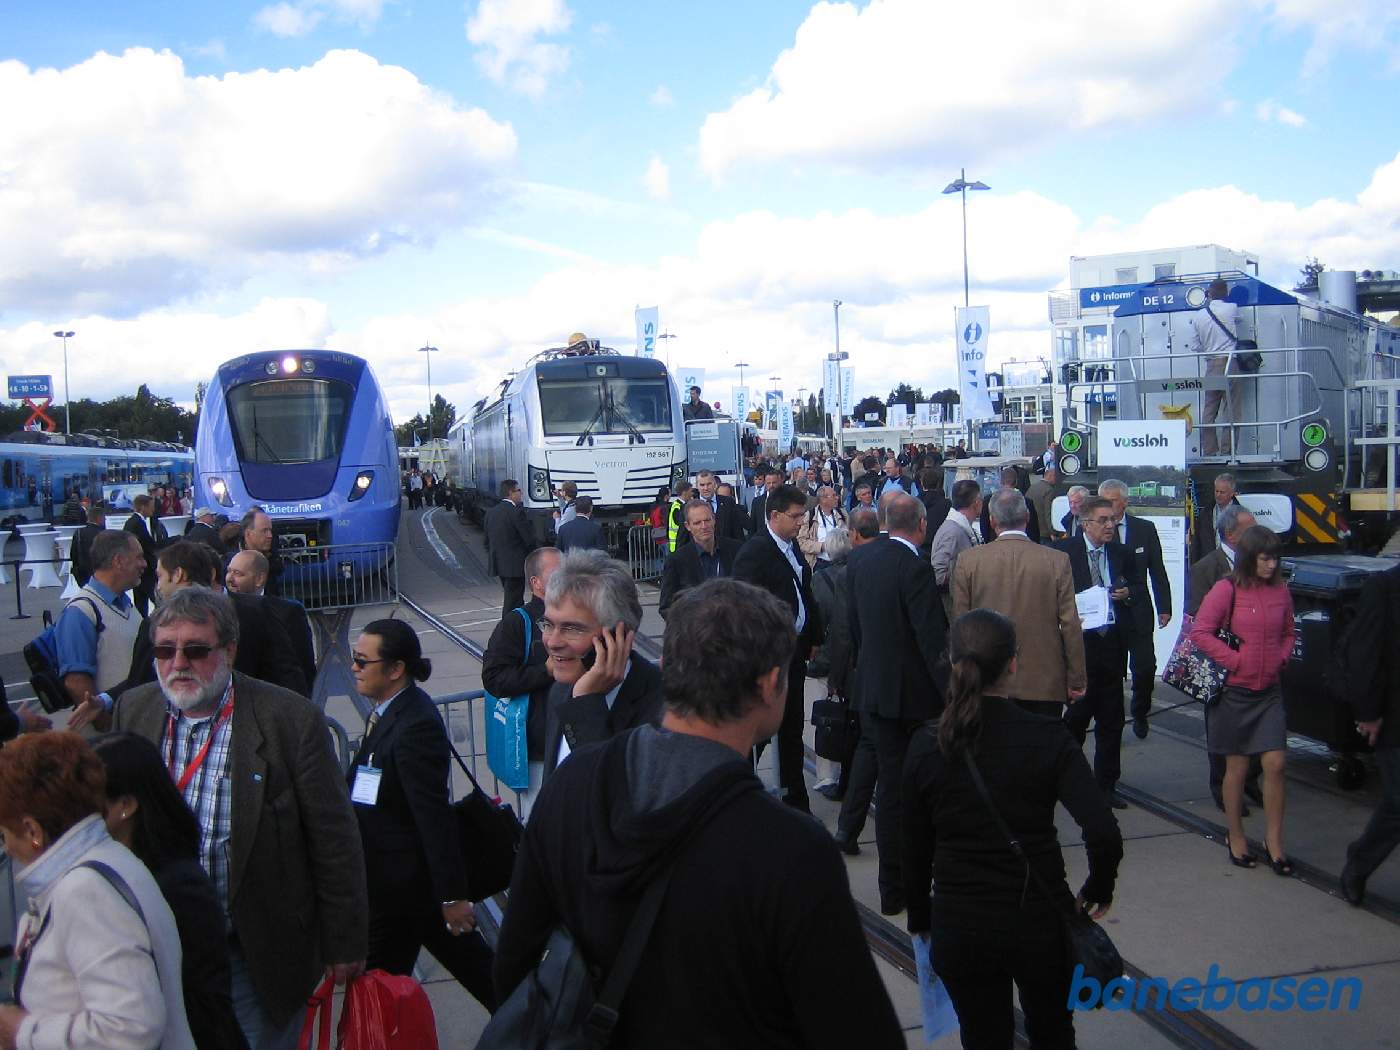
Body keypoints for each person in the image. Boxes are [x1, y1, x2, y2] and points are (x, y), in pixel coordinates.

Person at [493, 578, 905, 1048]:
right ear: (772, 684)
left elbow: (514, 960)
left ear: (668, 666)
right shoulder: (792, 850)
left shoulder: (573, 782)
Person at [111, 588, 367, 1050]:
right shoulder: (135, 710)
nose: (178, 663)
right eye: (165, 650)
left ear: (229, 650)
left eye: (196, 650)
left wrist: (344, 943)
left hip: (252, 951)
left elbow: (334, 840)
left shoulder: (288, 720)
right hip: (155, 950)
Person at [903, 609, 1122, 1050]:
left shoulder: (928, 744)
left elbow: (911, 844)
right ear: (1013, 664)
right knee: (1053, 1032)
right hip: (1037, 915)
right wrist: (1098, 886)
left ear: (951, 660)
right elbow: (1101, 829)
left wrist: (921, 915)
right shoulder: (1048, 737)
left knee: (983, 1037)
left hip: (961, 919)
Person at [0, 732, 196, 1049]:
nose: (6, 848)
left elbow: (130, 1028)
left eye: (4, 833)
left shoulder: (84, 890)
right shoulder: (109, 861)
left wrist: (23, 1033)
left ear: (32, 830)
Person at [348, 619, 496, 1011]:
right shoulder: (388, 712)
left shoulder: (414, 725)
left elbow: (432, 816)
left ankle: (537, 1027)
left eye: (363, 661)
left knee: (377, 991)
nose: (354, 668)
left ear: (395, 669)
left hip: (407, 887)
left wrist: (452, 895)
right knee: (481, 972)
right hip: (402, 884)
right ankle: (533, 1025)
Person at [93, 733, 249, 1050]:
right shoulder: (117, 869)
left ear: (124, 806)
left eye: (86, 796)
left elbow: (200, 1004)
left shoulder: (176, 886)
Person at [846, 493, 946, 914]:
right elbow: (932, 641)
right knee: (920, 793)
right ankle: (915, 880)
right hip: (914, 702)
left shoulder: (860, 561)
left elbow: (852, 628)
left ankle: (892, 889)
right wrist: (951, 695)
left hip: (873, 692)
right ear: (921, 525)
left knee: (889, 793)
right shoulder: (915, 568)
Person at [1191, 525, 1296, 875]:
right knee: (1236, 768)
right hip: (1235, 692)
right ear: (1249, 558)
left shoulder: (1280, 590)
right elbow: (1200, 632)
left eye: (1275, 559)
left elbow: (1288, 632)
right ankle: (1235, 835)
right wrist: (1236, 662)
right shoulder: (1227, 589)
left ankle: (1275, 841)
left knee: (1276, 764)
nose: (1271, 565)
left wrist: (1280, 657)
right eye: (1265, 559)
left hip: (1268, 691)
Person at [733, 484, 825, 814]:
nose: (802, 521)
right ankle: (737, 792)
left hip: (795, 653)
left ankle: (795, 801)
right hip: (769, 659)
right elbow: (743, 605)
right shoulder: (755, 552)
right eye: (796, 516)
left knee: (791, 728)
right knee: (760, 729)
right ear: (775, 516)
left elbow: (804, 591)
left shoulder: (792, 547)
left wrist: (813, 635)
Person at [952, 489, 1086, 710]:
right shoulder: (1057, 560)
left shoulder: (969, 561)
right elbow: (1070, 623)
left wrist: (960, 678)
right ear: (1027, 517)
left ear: (993, 521)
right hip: (1044, 681)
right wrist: (1077, 677)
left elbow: (961, 623)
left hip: (987, 680)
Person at [540, 550, 663, 780]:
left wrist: (586, 706)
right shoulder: (560, 692)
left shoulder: (663, 709)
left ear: (618, 634)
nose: (553, 642)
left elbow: (610, 798)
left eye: (572, 628)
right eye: (548, 625)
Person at [1057, 497, 1138, 810]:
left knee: (1112, 721)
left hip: (1111, 647)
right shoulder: (1065, 553)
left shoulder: (1122, 553)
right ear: (1086, 523)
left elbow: (1137, 588)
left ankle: (1107, 785)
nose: (1110, 525)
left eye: (1112, 520)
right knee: (1075, 721)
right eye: (1103, 520)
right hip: (1079, 647)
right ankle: (1070, 781)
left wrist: (1128, 593)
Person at [1187, 505, 1262, 813]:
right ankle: (1222, 786)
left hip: (1255, 660)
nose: (1257, 535)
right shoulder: (1207, 567)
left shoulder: (1260, 565)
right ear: (1231, 534)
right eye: (1250, 529)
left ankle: (1250, 781)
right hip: (1222, 662)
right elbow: (1196, 615)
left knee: (1255, 726)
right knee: (1222, 728)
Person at [482, 547, 562, 815]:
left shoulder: (580, 617)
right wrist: (545, 671)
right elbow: (494, 678)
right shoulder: (518, 624)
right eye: (557, 573)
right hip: (538, 751)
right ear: (536, 583)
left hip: (576, 742)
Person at [1340, 564, 1400, 906]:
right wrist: (1368, 713)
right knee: (1397, 802)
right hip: (1393, 715)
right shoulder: (1385, 587)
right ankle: (1360, 861)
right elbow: (1365, 652)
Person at [1099, 478, 1171, 739]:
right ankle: (1113, 720)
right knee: (1112, 672)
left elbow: (1157, 570)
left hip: (1138, 610)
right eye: (1103, 501)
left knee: (1144, 668)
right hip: (1108, 615)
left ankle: (1140, 711)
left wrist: (1165, 607)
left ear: (1125, 501)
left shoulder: (1144, 529)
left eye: (1112, 500)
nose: (1107, 506)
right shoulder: (1095, 531)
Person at [57, 530, 147, 710]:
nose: (144, 564)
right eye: (139, 557)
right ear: (119, 561)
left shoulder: (125, 604)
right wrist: (105, 723)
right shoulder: (80, 612)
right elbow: (76, 681)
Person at [659, 500, 742, 619]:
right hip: (697, 633)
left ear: (714, 520)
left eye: (707, 520)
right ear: (688, 526)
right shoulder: (676, 561)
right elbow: (666, 607)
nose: (704, 527)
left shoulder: (736, 550)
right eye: (697, 523)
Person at [1193, 278, 1244, 456]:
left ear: (1209, 293)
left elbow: (1195, 346)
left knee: (1209, 410)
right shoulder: (1232, 308)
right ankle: (1228, 451)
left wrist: (1209, 347)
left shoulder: (1199, 315)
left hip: (1211, 365)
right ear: (1226, 293)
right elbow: (1240, 321)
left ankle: (1209, 451)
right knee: (1232, 410)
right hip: (1230, 363)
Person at [930, 479, 983, 622]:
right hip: (953, 606)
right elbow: (938, 574)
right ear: (976, 502)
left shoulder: (960, 527)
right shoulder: (952, 532)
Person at [484, 479, 536, 614]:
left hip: (499, 563)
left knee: (513, 598)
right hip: (515, 565)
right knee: (513, 600)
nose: (521, 493)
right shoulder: (516, 512)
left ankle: (515, 625)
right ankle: (507, 628)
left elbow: (486, 541)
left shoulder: (491, 512)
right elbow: (528, 539)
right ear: (510, 493)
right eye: (518, 490)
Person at [124, 493, 170, 615]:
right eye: (151, 506)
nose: (153, 509)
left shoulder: (137, 522)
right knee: (155, 600)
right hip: (145, 570)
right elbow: (148, 546)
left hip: (142, 569)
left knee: (142, 602)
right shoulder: (136, 523)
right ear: (143, 507)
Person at [1191, 472, 1243, 565]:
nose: (1218, 495)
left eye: (1222, 492)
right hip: (1208, 569)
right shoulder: (1205, 514)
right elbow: (1196, 545)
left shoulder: (1242, 516)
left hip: (1233, 569)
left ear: (1232, 493)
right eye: (1216, 491)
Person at [979, 466, 1040, 544]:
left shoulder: (988, 500)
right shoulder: (1026, 502)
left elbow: (984, 527)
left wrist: (988, 543)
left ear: (1000, 481)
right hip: (1023, 545)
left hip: (995, 544)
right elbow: (1033, 530)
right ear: (1016, 482)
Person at [234, 509, 283, 598]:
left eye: (270, 530)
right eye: (264, 531)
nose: (270, 536)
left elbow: (279, 569)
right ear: (248, 534)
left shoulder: (270, 557)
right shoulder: (230, 560)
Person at [796, 486, 847, 569]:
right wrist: (822, 546)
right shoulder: (809, 516)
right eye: (833, 495)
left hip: (841, 563)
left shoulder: (842, 514)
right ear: (823, 499)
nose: (837, 498)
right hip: (820, 563)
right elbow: (801, 542)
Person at [695, 470, 748, 541]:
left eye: (709, 484)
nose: (706, 488)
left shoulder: (728, 502)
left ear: (715, 484)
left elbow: (737, 532)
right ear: (696, 486)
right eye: (702, 485)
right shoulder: (688, 507)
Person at [69, 499, 110, 588]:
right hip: (100, 574)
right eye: (104, 518)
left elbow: (73, 554)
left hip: (82, 574)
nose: (105, 520)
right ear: (99, 518)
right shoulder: (103, 534)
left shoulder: (79, 532)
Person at [916, 467, 949, 559]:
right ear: (938, 483)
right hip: (941, 545)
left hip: (920, 545)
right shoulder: (947, 504)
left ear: (922, 483)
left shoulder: (914, 503)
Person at [748, 468, 785, 535]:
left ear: (779, 483)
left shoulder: (787, 500)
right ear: (765, 483)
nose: (771, 486)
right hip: (761, 540)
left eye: (774, 483)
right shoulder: (757, 502)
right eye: (769, 483)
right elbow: (752, 527)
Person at [1027, 465, 1058, 543]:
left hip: (1032, 530)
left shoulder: (1032, 487)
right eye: (1057, 477)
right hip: (1045, 533)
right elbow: (1049, 513)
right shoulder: (1049, 490)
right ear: (1051, 476)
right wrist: (1053, 532)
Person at [666, 480, 695, 554]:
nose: (692, 494)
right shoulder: (678, 507)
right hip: (678, 546)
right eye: (691, 491)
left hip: (678, 545)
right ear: (685, 492)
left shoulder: (675, 505)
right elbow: (683, 528)